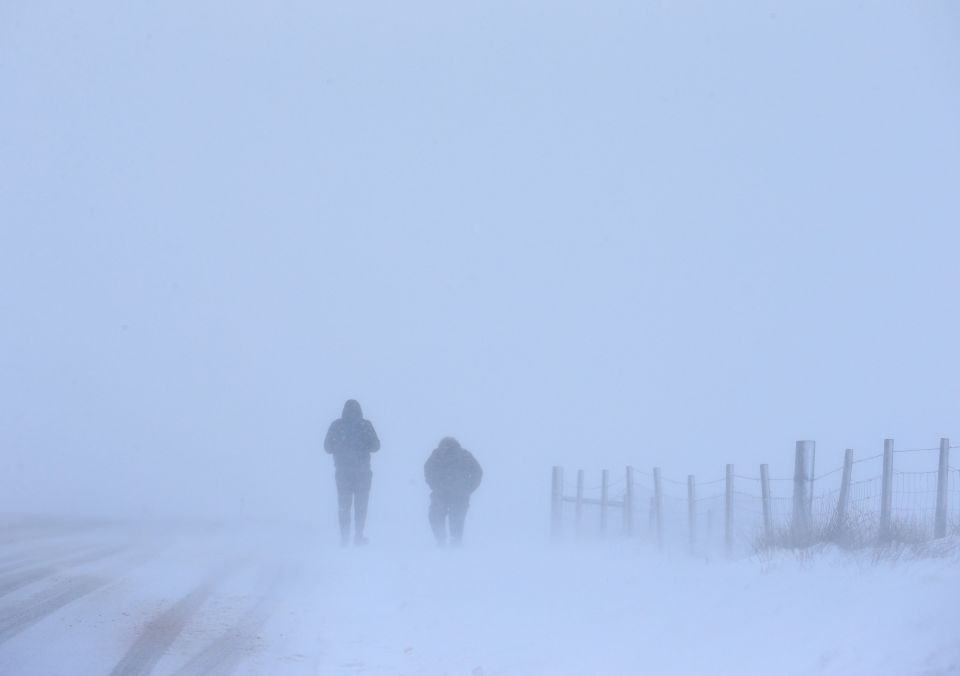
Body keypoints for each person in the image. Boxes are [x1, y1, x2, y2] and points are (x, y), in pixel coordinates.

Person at [324, 399, 380, 545]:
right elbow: (376, 446)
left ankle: (344, 538)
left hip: (343, 473)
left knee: (344, 505)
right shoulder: (365, 425)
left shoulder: (337, 425)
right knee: (361, 505)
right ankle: (359, 535)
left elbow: (327, 448)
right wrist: (361, 444)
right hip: (362, 473)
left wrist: (341, 445)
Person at [424, 437, 483, 546]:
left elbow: (428, 472)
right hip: (455, 494)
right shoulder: (464, 455)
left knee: (438, 516)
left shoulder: (437, 455)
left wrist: (435, 486)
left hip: (446, 493)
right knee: (455, 517)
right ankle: (451, 541)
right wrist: (468, 488)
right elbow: (477, 472)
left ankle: (444, 541)